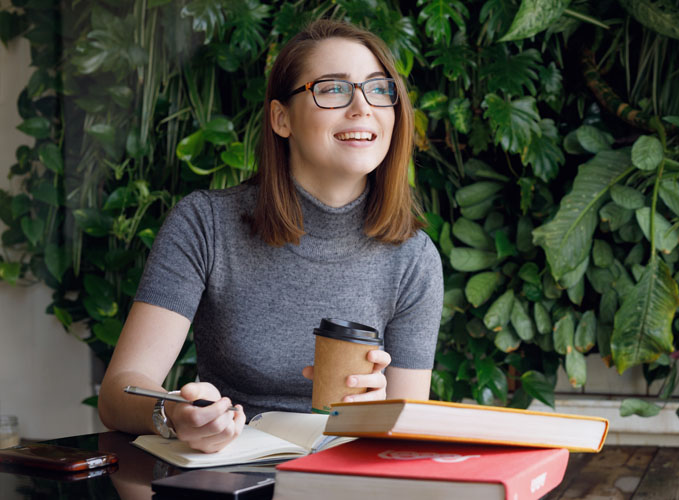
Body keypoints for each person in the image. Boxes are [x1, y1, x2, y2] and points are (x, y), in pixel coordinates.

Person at [98, 19, 443, 453]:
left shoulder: (414, 258)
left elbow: (407, 429)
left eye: (379, 88)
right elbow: (117, 393)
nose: (362, 107)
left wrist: (378, 411)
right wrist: (173, 414)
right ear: (282, 118)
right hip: (227, 471)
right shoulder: (206, 224)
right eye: (334, 89)